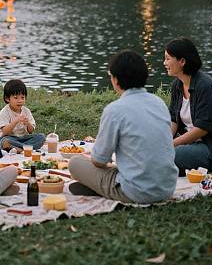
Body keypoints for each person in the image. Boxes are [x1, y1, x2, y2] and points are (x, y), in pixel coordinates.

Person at [69, 51, 178, 204]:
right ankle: (100, 187)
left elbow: (99, 161)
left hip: (136, 192)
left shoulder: (115, 110)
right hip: (167, 188)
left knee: (75, 163)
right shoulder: (158, 103)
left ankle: (102, 189)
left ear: (116, 80)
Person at [164, 37, 212, 174]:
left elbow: (202, 129)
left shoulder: (206, 86)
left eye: (167, 59)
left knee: (166, 157)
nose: (164, 63)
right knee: (153, 151)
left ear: (182, 61)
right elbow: (173, 120)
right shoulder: (177, 85)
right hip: (189, 144)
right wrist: (164, 141)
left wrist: (170, 145)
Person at [0, 79, 45, 152]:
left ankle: (18, 148)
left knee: (41, 137)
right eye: (16, 98)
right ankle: (24, 148)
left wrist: (28, 123)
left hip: (23, 139)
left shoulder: (26, 111)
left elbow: (31, 131)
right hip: (8, 138)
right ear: (7, 98)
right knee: (4, 141)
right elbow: (4, 132)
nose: (20, 101)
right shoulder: (5, 111)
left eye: (22, 97)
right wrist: (15, 121)